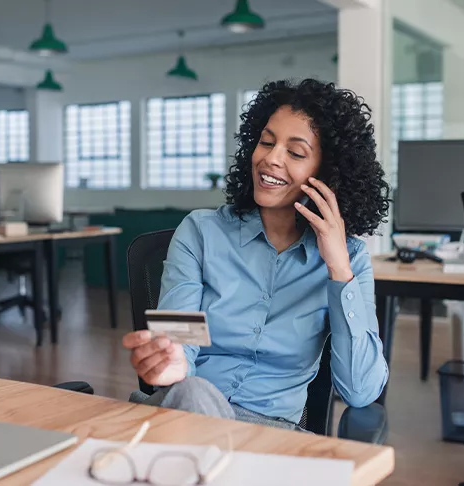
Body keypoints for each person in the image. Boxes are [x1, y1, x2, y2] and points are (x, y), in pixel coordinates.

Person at [122, 79, 391, 431]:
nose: (270, 159)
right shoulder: (202, 232)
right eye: (266, 142)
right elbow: (179, 339)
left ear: (328, 175)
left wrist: (338, 268)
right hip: (186, 411)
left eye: (295, 153)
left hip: (269, 433)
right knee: (195, 395)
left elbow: (360, 391)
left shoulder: (349, 259)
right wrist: (171, 363)